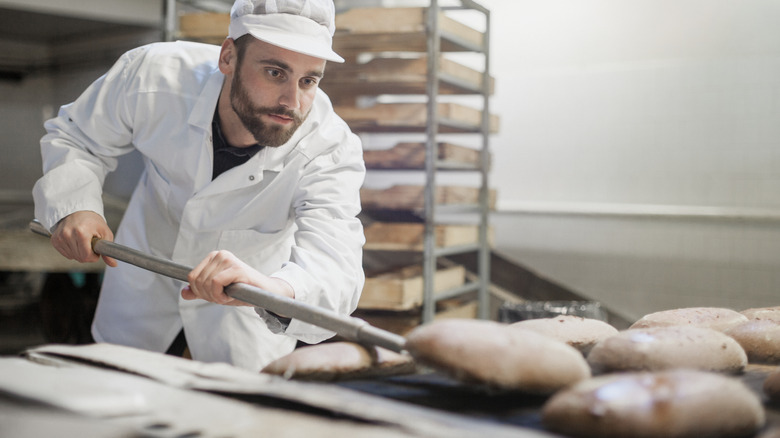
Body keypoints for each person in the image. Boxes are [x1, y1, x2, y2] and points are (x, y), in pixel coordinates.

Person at [32, 0, 366, 371]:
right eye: (274, 72)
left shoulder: (329, 148)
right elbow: (77, 135)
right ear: (228, 57)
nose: (292, 102)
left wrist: (272, 290)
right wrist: (76, 204)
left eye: (308, 80)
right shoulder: (155, 76)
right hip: (143, 293)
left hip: (241, 323)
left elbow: (336, 268)